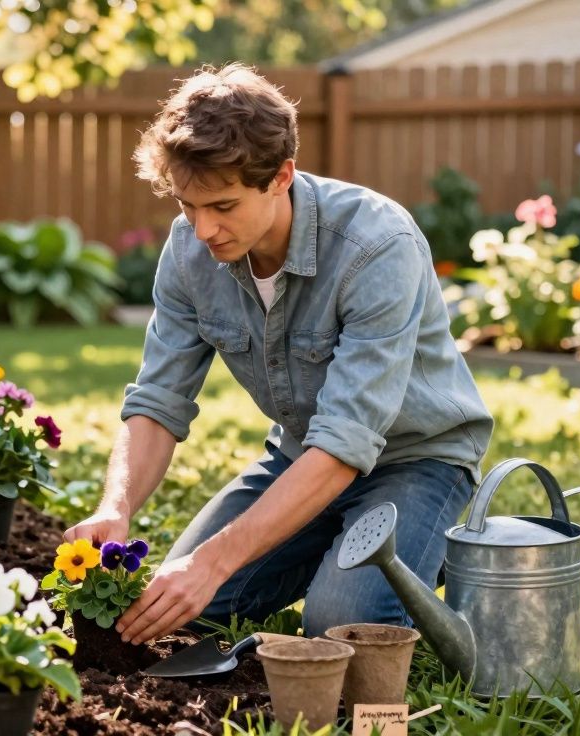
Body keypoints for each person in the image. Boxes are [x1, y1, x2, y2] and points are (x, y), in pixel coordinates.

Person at [63, 63, 493, 645]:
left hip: (417, 460)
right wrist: (116, 506)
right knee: (183, 607)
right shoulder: (189, 250)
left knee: (337, 625)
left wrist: (216, 560)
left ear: (281, 176)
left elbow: (346, 439)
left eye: (223, 206)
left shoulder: (377, 247)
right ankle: (343, 550)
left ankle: (438, 544)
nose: (203, 228)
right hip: (299, 459)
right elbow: (160, 399)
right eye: (189, 206)